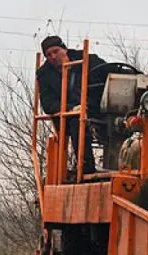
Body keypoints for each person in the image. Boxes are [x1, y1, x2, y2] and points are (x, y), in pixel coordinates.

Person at [37, 35, 108, 174]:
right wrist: (71, 108)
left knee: (122, 119)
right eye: (48, 55)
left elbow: (109, 72)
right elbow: (48, 104)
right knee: (77, 121)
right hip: (67, 117)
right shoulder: (44, 74)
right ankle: (86, 168)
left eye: (55, 51)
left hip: (95, 108)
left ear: (64, 49)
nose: (52, 57)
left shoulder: (88, 60)